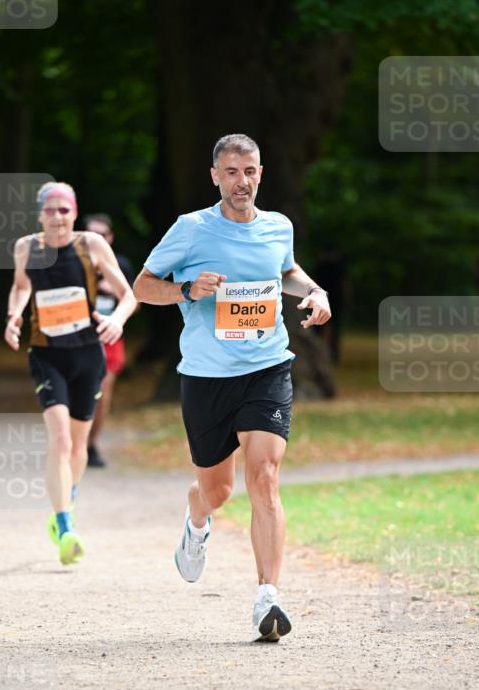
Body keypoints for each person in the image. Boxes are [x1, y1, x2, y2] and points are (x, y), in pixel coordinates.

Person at [133, 134, 331, 641]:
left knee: (264, 477)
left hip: (267, 368)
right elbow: (142, 286)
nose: (241, 182)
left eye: (250, 172)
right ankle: (196, 520)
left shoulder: (278, 227)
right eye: (231, 172)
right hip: (206, 376)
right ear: (215, 176)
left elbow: (284, 272)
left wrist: (315, 291)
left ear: (260, 174)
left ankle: (268, 597)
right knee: (217, 490)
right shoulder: (191, 230)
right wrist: (185, 289)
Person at [4, 182, 137, 565]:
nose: (58, 217)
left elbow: (128, 295)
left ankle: (67, 499)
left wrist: (117, 320)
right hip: (46, 354)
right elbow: (19, 287)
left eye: (65, 210)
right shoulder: (26, 248)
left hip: (87, 356)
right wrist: (14, 315)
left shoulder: (92, 246)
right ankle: (65, 527)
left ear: (74, 213)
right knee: (61, 440)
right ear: (40, 214)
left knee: (79, 446)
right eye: (51, 210)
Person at [83, 213, 136, 467]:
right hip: (78, 337)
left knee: (102, 395)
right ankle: (74, 441)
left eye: (102, 235)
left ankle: (91, 445)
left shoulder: (120, 266)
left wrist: (113, 292)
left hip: (109, 336)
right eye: (91, 234)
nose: (97, 239)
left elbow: (135, 305)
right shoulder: (73, 262)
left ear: (110, 237)